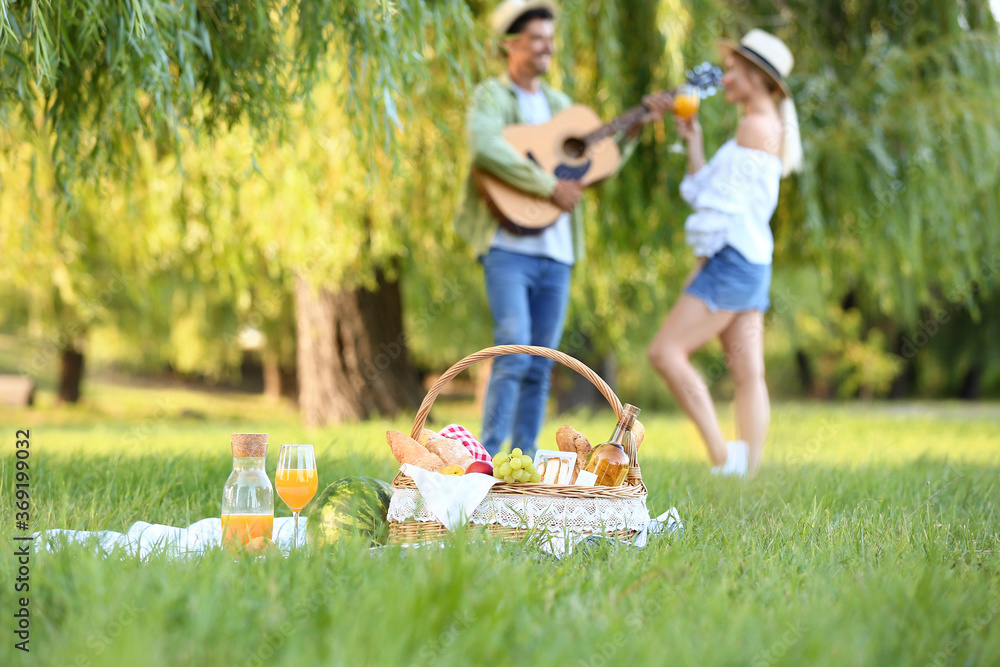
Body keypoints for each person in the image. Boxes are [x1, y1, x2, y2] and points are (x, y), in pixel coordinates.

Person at [454, 0, 671, 457]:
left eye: (550, 38)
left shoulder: (559, 106)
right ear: (510, 44)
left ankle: (525, 458)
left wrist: (632, 132)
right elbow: (486, 148)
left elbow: (594, 165)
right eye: (537, 38)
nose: (547, 46)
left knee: (541, 364)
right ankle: (486, 462)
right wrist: (547, 185)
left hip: (557, 254)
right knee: (512, 354)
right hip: (507, 249)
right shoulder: (491, 97)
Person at [647, 29, 803, 477]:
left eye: (733, 69)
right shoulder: (764, 124)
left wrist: (699, 265)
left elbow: (716, 211)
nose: (725, 77)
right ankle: (745, 472)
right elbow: (711, 193)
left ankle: (722, 457)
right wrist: (693, 139)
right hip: (752, 260)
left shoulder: (755, 127)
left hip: (731, 261)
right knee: (747, 372)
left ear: (756, 76)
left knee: (666, 352)